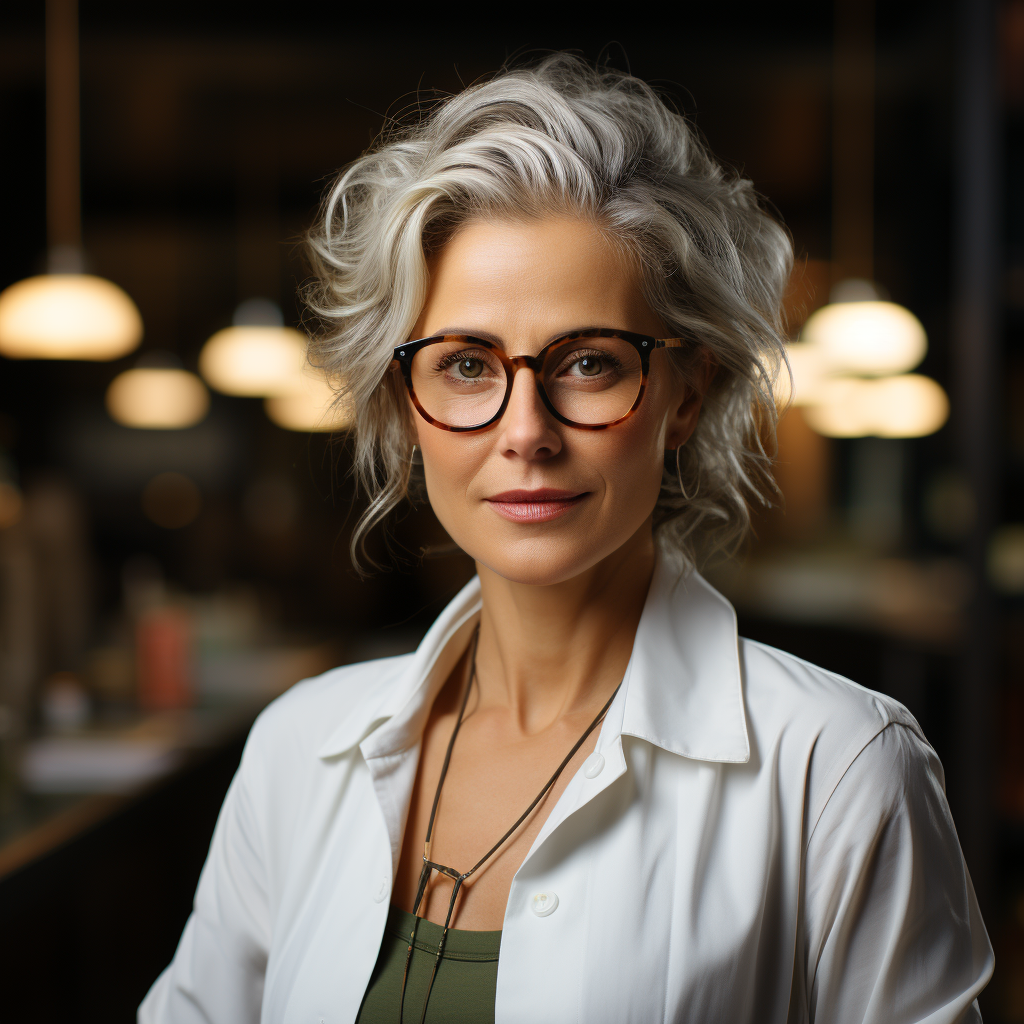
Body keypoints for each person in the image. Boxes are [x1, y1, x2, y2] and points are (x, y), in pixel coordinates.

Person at [139, 55, 993, 1023]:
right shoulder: (299, 746)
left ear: (685, 393)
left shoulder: (838, 766)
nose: (524, 430)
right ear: (402, 402)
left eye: (587, 361)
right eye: (466, 364)